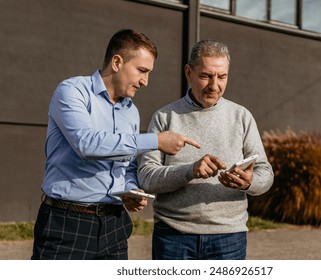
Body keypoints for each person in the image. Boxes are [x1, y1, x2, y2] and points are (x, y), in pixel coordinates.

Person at [31, 29, 200, 260]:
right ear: (117, 62)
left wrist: (130, 190)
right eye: (142, 71)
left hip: (115, 226)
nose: (145, 82)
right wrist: (155, 141)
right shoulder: (72, 91)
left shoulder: (131, 112)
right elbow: (86, 143)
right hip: (67, 224)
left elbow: (128, 165)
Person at [138, 39, 274, 260]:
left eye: (222, 77)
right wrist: (190, 170)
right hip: (174, 237)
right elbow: (146, 178)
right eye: (205, 76)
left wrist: (249, 182)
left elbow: (265, 173)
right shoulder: (165, 117)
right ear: (188, 72)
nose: (214, 85)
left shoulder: (242, 117)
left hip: (229, 238)